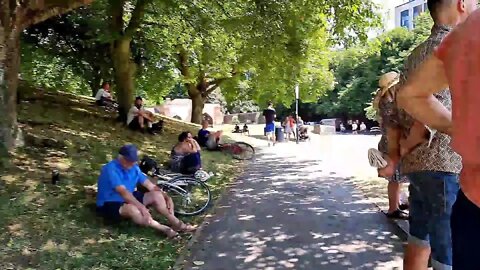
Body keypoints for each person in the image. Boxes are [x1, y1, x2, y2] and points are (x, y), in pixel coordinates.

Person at [386, 1, 475, 269]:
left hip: (417, 165)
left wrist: (398, 152)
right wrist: (456, 129)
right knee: (446, 255)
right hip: (445, 164)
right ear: (461, 4)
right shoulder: (458, 44)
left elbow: (396, 107)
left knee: (418, 240)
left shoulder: (415, 54)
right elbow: (427, 107)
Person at [96, 144, 196, 238]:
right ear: (121, 158)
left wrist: (166, 196)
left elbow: (150, 185)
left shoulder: (134, 168)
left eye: (133, 161)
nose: (131, 163)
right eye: (128, 161)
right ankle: (163, 229)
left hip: (128, 197)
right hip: (109, 202)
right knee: (133, 209)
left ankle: (176, 223)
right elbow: (123, 193)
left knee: (156, 195)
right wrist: (142, 208)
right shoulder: (111, 169)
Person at [372, 72, 409, 220]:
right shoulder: (391, 102)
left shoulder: (385, 101)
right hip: (393, 142)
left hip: (388, 141)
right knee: (396, 177)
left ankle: (397, 204)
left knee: (396, 178)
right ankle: (394, 208)